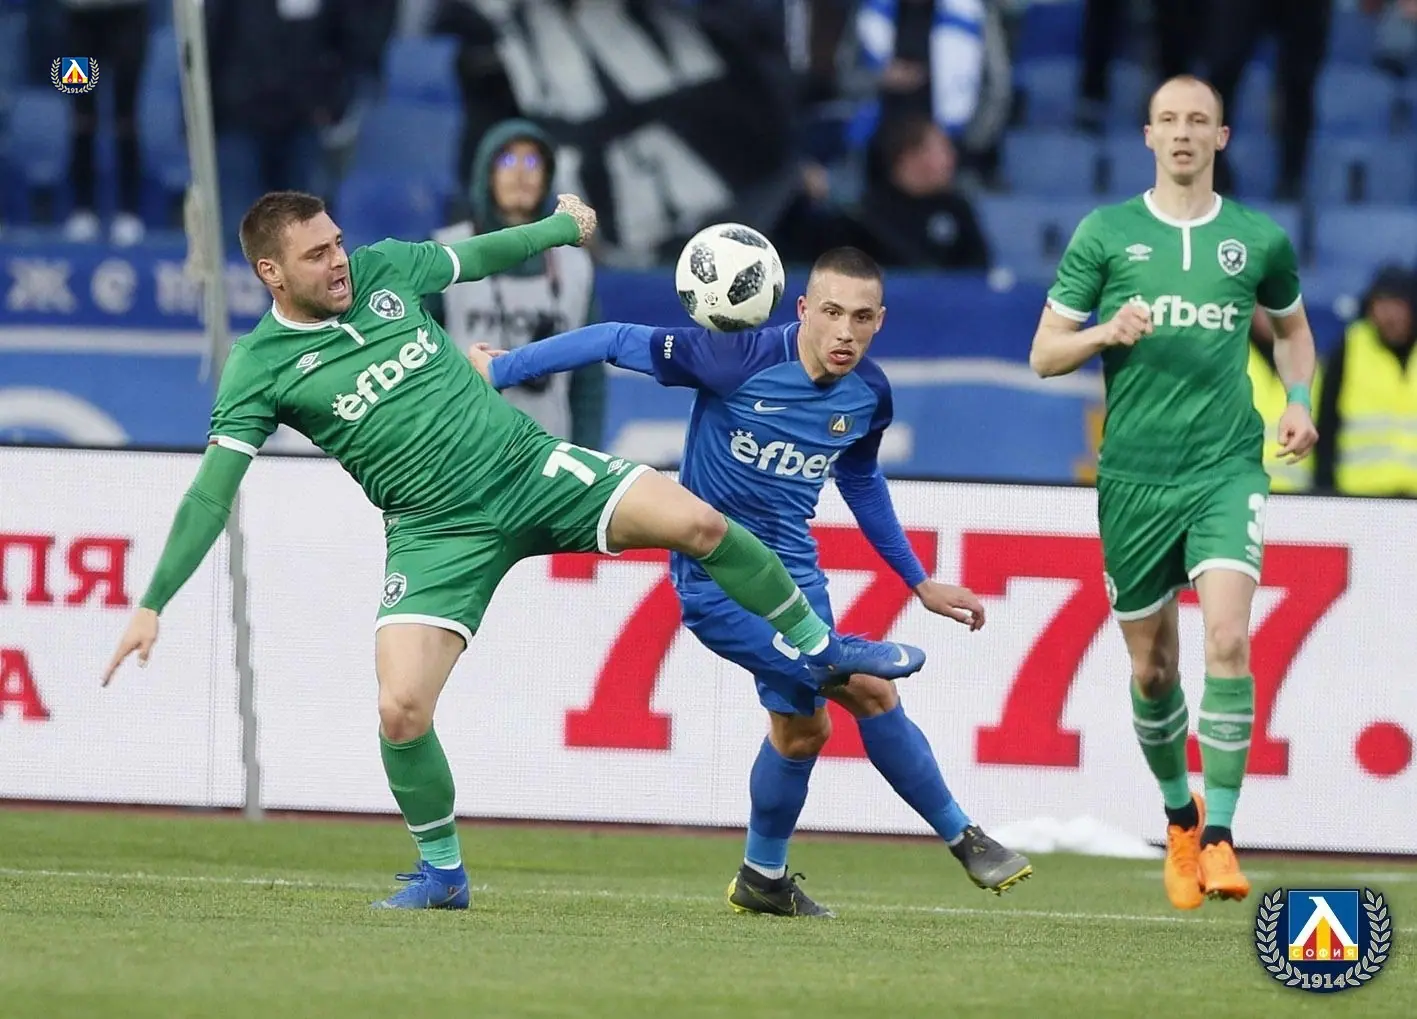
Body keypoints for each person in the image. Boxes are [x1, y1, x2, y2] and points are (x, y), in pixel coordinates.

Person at [100, 192, 928, 911]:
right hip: (436, 533)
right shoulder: (258, 367)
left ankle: (820, 646)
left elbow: (482, 255)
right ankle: (442, 873)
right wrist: (152, 602)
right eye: (316, 254)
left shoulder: (386, 269)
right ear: (271, 273)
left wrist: (560, 228)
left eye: (337, 242)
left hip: (529, 469)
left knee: (700, 524)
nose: (339, 260)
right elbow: (211, 493)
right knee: (400, 709)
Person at [470, 247, 1032, 917]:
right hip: (718, 581)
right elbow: (613, 338)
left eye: (860, 317)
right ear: (803, 309)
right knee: (868, 687)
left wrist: (918, 581)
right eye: (831, 312)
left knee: (802, 733)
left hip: (798, 579)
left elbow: (859, 478)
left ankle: (762, 877)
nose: (844, 332)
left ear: (879, 320)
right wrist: (503, 368)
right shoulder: (735, 357)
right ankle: (965, 837)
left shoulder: (868, 394)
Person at [1028, 75, 1318, 910]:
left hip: (1224, 467)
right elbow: (1043, 354)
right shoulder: (1106, 234)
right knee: (1152, 668)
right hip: (1132, 477)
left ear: (1221, 137)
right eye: (1167, 120)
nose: (1183, 132)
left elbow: (1293, 330)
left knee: (1227, 637)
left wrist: (1297, 398)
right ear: (1147, 136)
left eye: (1198, 120)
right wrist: (1103, 332)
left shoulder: (1256, 239)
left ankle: (1220, 833)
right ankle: (1179, 817)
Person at [432, 118, 604, 449]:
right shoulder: (446, 253)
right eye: (509, 160)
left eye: (533, 162)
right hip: (460, 451)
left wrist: (588, 455)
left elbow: (589, 379)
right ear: (486, 173)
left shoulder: (576, 266)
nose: (521, 173)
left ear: (548, 177)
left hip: (548, 452)